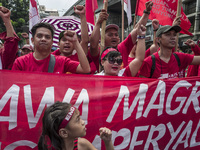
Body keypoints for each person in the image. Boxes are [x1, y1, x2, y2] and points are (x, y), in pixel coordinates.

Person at [89, 0, 153, 71]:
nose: (114, 37)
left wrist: (146, 12)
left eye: (116, 35)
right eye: (110, 35)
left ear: (119, 38)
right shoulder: (99, 51)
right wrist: (98, 23)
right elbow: (93, 45)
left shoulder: (123, 47)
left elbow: (137, 30)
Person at [12, 22, 90, 74]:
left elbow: (86, 69)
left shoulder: (61, 61)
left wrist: (75, 41)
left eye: (47, 37)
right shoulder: (20, 62)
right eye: (39, 36)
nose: (43, 39)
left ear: (52, 42)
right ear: (32, 40)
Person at [38, 101, 114, 150]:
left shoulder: (83, 145)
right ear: (64, 133)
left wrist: (108, 142)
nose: (83, 122)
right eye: (77, 120)